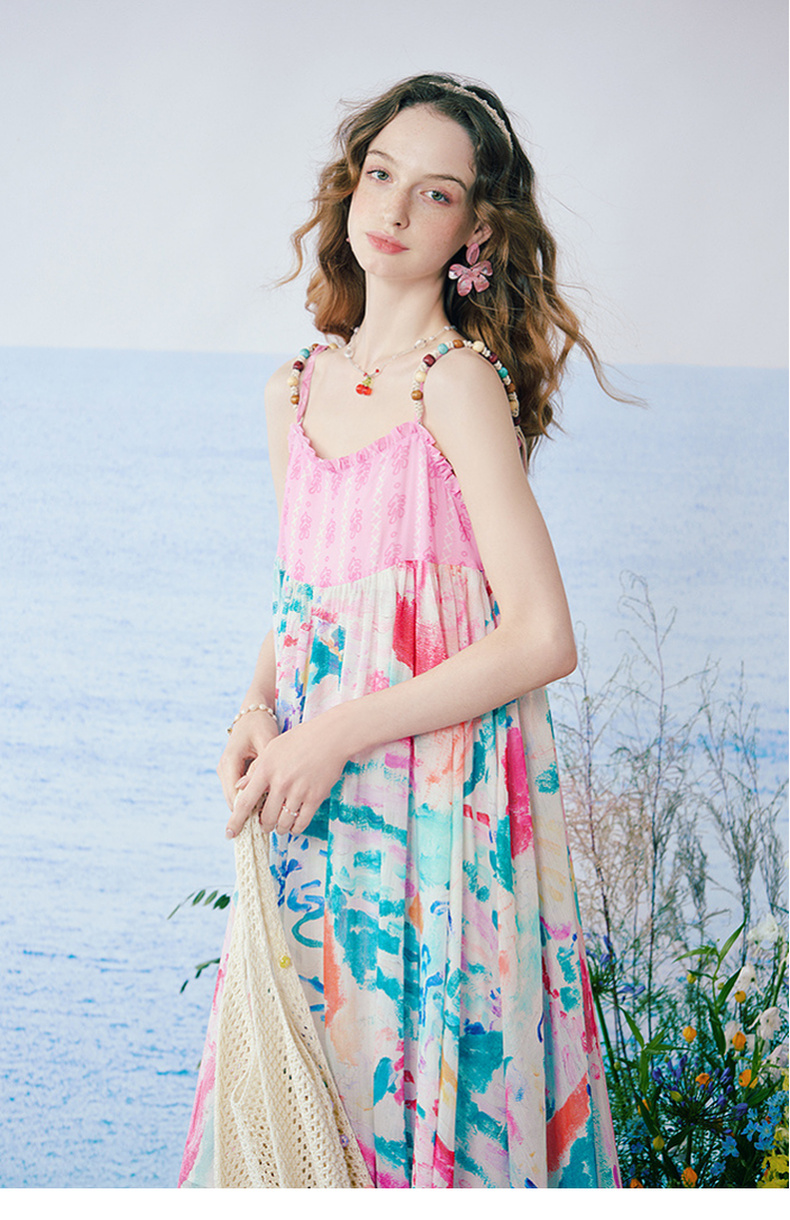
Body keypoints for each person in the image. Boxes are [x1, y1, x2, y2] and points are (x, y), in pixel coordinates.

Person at [179, 73, 621, 1189]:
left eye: (435, 192)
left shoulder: (455, 386)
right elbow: (303, 595)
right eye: (380, 173)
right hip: (313, 808)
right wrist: (254, 708)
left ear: (476, 232)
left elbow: (542, 635)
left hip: (436, 816)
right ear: (349, 185)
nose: (393, 206)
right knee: (298, 1116)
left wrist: (334, 734)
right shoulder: (292, 390)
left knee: (415, 1118)